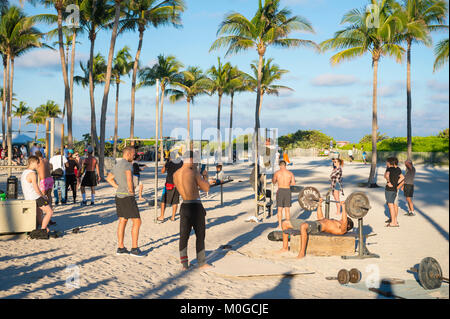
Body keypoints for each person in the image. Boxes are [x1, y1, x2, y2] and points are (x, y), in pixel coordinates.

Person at [173, 151, 212, 270]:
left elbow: (188, 186)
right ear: (191, 159)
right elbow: (206, 188)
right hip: (195, 205)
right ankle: (201, 262)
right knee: (200, 235)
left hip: (184, 205)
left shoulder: (176, 174)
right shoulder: (193, 171)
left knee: (183, 235)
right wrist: (204, 177)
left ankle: (184, 264)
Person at [278, 198, 353, 259]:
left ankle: (302, 253)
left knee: (303, 226)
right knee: (285, 223)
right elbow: (320, 217)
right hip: (313, 223)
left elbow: (345, 221)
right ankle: (285, 248)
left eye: (342, 220)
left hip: (318, 227)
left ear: (347, 226)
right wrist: (319, 204)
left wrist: (343, 207)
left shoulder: (342, 229)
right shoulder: (335, 222)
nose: (340, 220)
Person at [106, 146, 144, 257]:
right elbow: (129, 179)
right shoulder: (128, 165)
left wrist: (118, 187)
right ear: (128, 154)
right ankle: (135, 249)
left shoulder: (117, 165)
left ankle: (121, 247)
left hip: (119, 196)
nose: (134, 156)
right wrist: (131, 191)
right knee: (137, 222)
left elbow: (109, 179)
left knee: (122, 220)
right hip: (128, 196)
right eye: (133, 155)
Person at [21, 156, 54, 235]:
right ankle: (42, 230)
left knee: (39, 213)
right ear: (32, 162)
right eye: (37, 163)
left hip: (28, 197)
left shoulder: (24, 172)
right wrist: (43, 196)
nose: (38, 165)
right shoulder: (32, 174)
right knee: (49, 212)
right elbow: (36, 188)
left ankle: (45, 228)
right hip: (35, 197)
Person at [158, 153, 183, 222]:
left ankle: (162, 216)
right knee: (175, 201)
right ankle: (173, 217)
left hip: (169, 183)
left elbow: (162, 171)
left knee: (163, 200)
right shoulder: (181, 162)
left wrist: (166, 163)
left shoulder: (169, 163)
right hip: (178, 184)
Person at [273, 160, 296, 229]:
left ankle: (280, 225)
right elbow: (293, 183)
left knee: (279, 209)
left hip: (280, 190)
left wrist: (277, 180)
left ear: (280, 166)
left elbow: (273, 181)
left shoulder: (277, 173)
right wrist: (288, 183)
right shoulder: (290, 173)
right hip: (287, 190)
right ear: (285, 165)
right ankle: (287, 224)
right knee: (287, 209)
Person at [384, 157, 404, 227]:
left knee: (391, 205)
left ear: (389, 162)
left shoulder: (389, 169)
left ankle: (393, 222)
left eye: (387, 162)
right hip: (395, 189)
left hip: (389, 189)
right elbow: (402, 177)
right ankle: (395, 221)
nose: (386, 163)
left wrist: (389, 182)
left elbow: (386, 175)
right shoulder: (398, 169)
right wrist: (396, 183)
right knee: (393, 204)